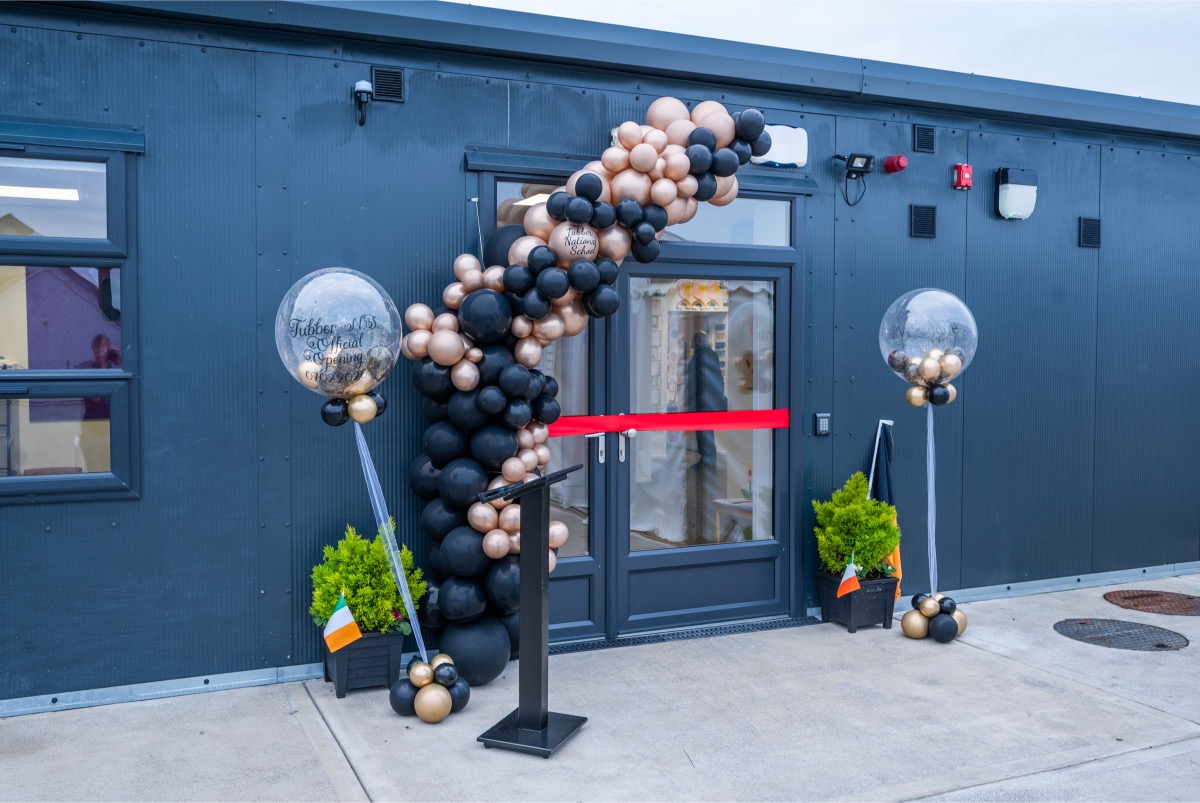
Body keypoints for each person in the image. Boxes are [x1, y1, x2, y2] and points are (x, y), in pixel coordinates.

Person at [683, 330, 727, 469]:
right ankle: (707, 459)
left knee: (703, 432)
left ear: (698, 341)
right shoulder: (710, 355)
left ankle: (708, 460)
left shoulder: (701, 356)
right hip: (707, 401)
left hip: (702, 402)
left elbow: (698, 380)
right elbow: (717, 379)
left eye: (693, 341)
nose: (692, 344)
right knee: (706, 431)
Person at [81, 333, 121, 420]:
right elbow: (96, 398)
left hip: (111, 420)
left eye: (108, 350)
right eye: (104, 349)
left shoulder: (111, 368)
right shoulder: (86, 368)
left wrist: (118, 363)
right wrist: (103, 367)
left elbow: (123, 389)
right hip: (93, 422)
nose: (107, 353)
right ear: (95, 349)